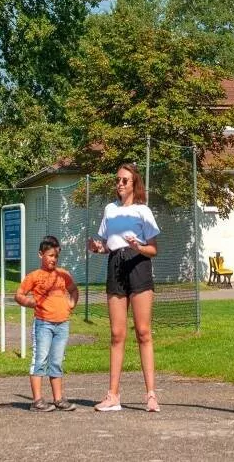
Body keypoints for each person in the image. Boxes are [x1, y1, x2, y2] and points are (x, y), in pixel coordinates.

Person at [86, 163, 161, 413]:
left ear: (134, 184)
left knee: (143, 331)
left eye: (124, 180)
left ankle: (151, 395)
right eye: (117, 180)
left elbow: (153, 249)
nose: (119, 184)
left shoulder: (143, 211)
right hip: (115, 264)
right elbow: (109, 244)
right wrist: (98, 248)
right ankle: (113, 395)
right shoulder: (110, 210)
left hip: (138, 264)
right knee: (117, 334)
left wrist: (137, 246)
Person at [15, 235, 80, 412]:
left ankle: (58, 399)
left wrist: (71, 304)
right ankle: (37, 400)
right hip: (43, 324)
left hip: (62, 324)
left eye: (56, 256)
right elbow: (19, 294)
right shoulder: (34, 276)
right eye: (50, 255)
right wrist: (29, 302)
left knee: (57, 361)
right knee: (40, 359)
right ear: (41, 255)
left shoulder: (63, 275)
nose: (53, 259)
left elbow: (74, 290)